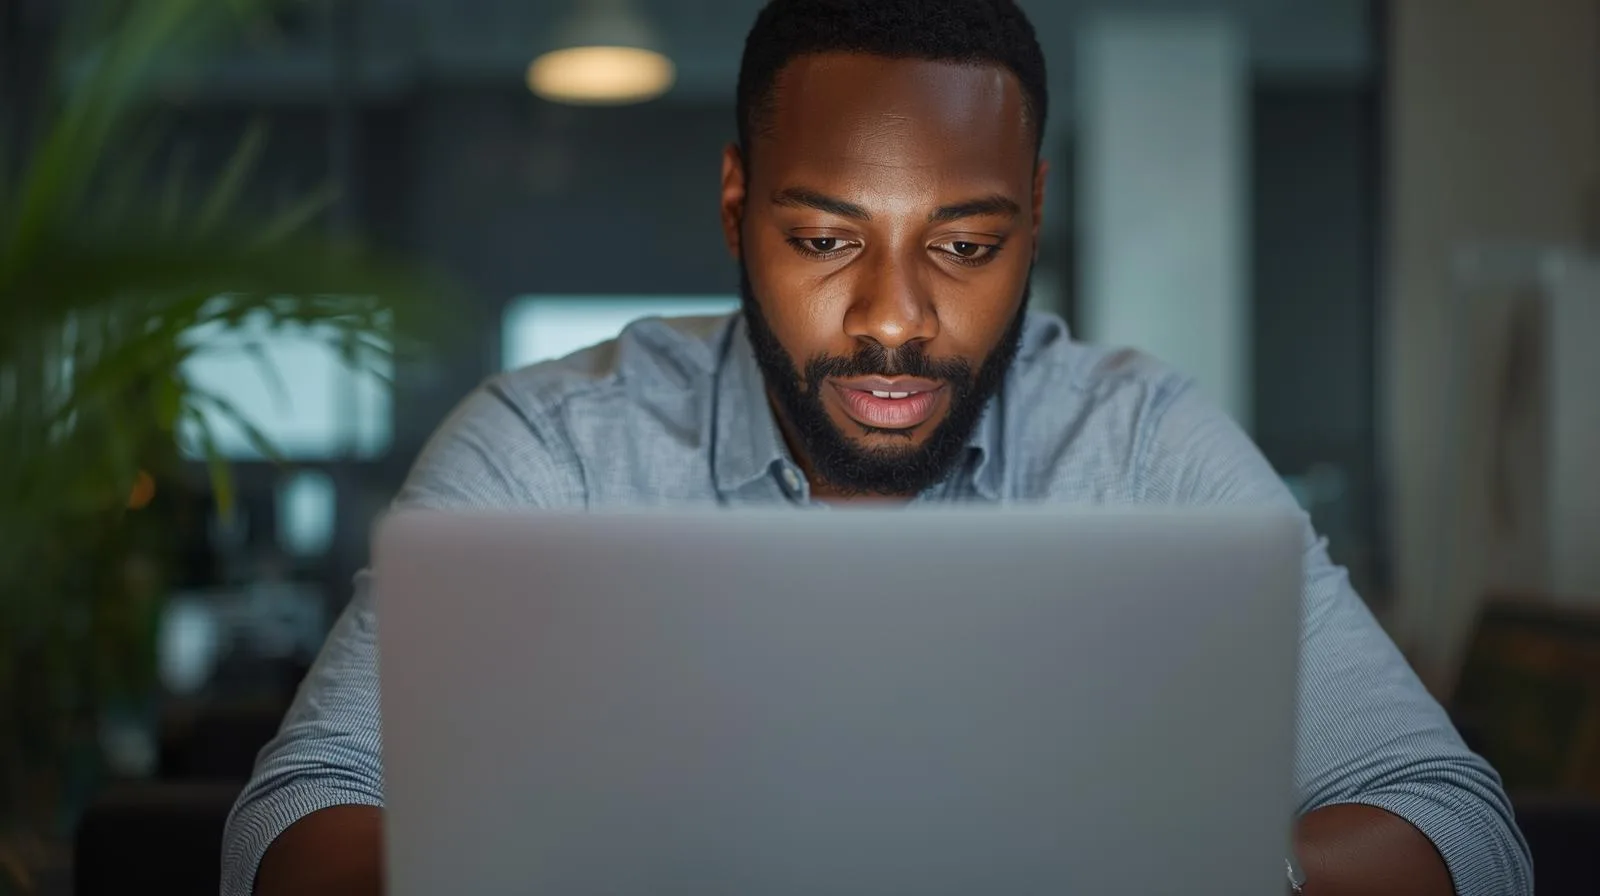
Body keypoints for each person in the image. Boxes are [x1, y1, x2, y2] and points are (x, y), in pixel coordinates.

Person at [223, 1, 1533, 894]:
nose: (894, 318)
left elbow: (1459, 826)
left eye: (965, 246)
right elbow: (293, 821)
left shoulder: (1140, 442)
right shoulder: (550, 448)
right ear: (736, 205)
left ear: (1035, 217)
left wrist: (1204, 876)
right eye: (823, 240)